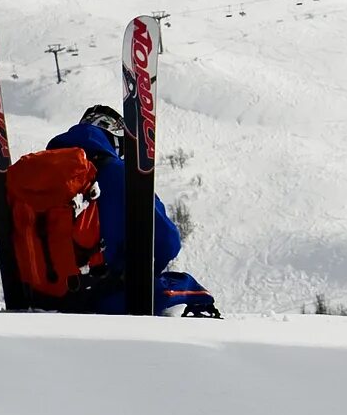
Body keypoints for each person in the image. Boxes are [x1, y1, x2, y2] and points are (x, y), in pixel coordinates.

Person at [34, 104, 217, 316]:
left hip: (42, 297)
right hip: (100, 301)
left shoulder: (37, 174)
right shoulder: (119, 173)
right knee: (186, 287)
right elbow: (167, 242)